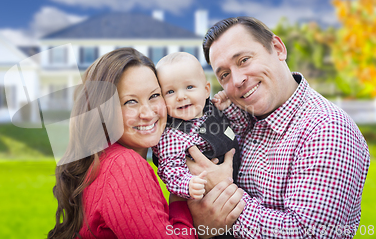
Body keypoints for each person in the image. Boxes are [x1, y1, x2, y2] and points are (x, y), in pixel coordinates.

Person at [188, 16, 370, 238]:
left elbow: (311, 234)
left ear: (278, 48)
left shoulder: (326, 128)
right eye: (224, 74)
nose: (236, 80)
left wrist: (222, 198)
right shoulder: (242, 120)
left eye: (244, 60)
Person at [48, 48, 245, 239]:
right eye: (130, 102)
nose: (148, 113)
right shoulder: (124, 166)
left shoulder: (103, 159)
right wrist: (196, 223)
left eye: (153, 96)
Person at [152, 52, 240, 200]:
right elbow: (170, 170)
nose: (181, 96)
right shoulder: (172, 135)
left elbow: (239, 128)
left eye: (189, 87)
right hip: (207, 197)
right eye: (170, 91)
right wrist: (188, 184)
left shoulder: (213, 110)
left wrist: (228, 107)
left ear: (206, 90)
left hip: (240, 183)